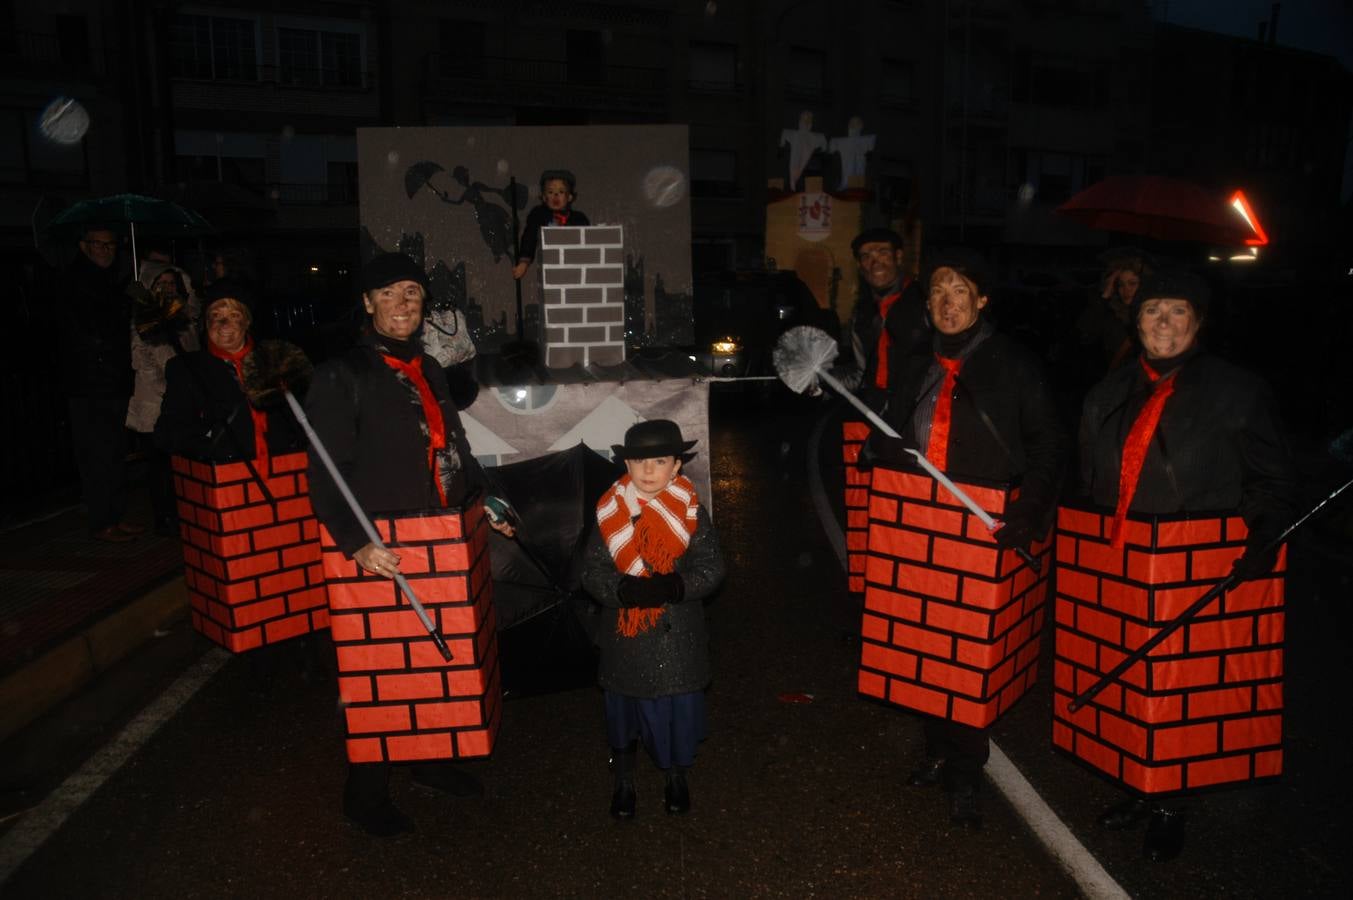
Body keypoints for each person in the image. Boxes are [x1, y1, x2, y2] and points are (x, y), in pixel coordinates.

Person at [1076, 269, 1295, 862]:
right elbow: (1091, 479)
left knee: (1181, 690)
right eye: (1152, 312)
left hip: (1195, 563)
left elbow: (1272, 480)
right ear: (1136, 320)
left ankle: (1171, 803)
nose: (1164, 324)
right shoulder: (1111, 390)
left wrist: (1259, 538)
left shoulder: (1238, 391)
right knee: (1130, 680)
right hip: (1128, 563)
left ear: (1198, 322)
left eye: (1177, 312)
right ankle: (1140, 784)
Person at [304, 252, 515, 837]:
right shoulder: (341, 373)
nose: (404, 305)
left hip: (439, 533)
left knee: (433, 650)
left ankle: (429, 759)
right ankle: (364, 792)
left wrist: (487, 498)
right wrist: (355, 543)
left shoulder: (429, 366)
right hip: (379, 541)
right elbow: (325, 472)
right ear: (368, 303)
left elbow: (457, 449)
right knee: (378, 666)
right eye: (391, 294)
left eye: (414, 295)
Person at [867, 248, 1067, 829]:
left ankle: (965, 769)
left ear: (982, 300)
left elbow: (1049, 444)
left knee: (965, 653)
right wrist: (881, 449)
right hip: (920, 521)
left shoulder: (1015, 366)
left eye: (959, 290)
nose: (946, 302)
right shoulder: (917, 362)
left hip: (980, 522)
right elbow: (896, 428)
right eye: (936, 292)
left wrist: (1027, 515)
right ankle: (936, 749)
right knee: (921, 640)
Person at [581, 420, 726, 820]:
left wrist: (677, 586)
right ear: (626, 465)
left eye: (659, 461)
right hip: (625, 639)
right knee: (623, 715)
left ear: (676, 466)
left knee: (677, 713)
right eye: (638, 461)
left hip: (677, 637)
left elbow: (712, 567)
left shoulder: (692, 510)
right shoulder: (610, 511)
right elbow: (592, 571)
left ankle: (676, 776)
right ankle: (624, 779)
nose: (647, 471)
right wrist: (623, 591)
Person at [155, 279, 305, 465]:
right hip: (228, 479)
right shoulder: (187, 368)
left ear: (247, 321)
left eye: (234, 315)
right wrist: (214, 443)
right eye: (216, 315)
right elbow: (167, 433)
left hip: (282, 472)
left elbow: (302, 419)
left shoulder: (273, 362)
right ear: (206, 323)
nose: (224, 324)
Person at [60, 226, 141, 542]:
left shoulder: (108, 281)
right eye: (99, 244)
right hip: (90, 384)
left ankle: (114, 515)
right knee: (97, 453)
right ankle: (102, 519)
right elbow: (91, 331)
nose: (106, 250)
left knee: (114, 451)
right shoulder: (75, 282)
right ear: (84, 246)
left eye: (111, 245)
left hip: (111, 380)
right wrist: (123, 303)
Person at [130, 261, 200, 533]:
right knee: (159, 464)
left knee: (180, 462)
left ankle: (181, 513)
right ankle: (165, 518)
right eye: (162, 283)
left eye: (172, 283)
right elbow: (142, 359)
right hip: (156, 401)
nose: (168, 288)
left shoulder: (183, 317)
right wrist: (168, 389)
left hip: (182, 401)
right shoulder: (145, 318)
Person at [847, 228, 928, 410]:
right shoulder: (862, 313)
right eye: (866, 256)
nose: (875, 263)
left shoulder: (925, 302)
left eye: (883, 253)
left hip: (919, 408)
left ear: (898, 257)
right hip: (878, 412)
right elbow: (861, 374)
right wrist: (819, 380)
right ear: (860, 266)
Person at [1076, 248, 1151, 375]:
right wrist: (1106, 294)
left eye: (1132, 283)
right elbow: (1084, 335)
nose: (1125, 290)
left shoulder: (1155, 317)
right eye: (1121, 284)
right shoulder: (1114, 317)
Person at [512, 169, 589, 280]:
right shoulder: (538, 215)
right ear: (544, 197)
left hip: (574, 269)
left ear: (570, 197)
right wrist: (524, 262)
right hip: (550, 270)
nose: (556, 195)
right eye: (551, 192)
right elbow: (529, 238)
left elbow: (586, 245)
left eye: (561, 192)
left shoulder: (579, 219)